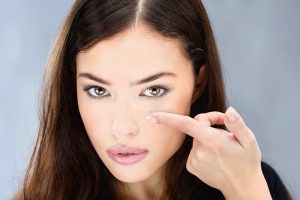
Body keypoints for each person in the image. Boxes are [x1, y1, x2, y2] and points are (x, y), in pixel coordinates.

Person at [13, 0, 293, 199]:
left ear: (198, 82)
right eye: (98, 91)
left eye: (153, 90)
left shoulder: (253, 185)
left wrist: (245, 191)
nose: (123, 128)